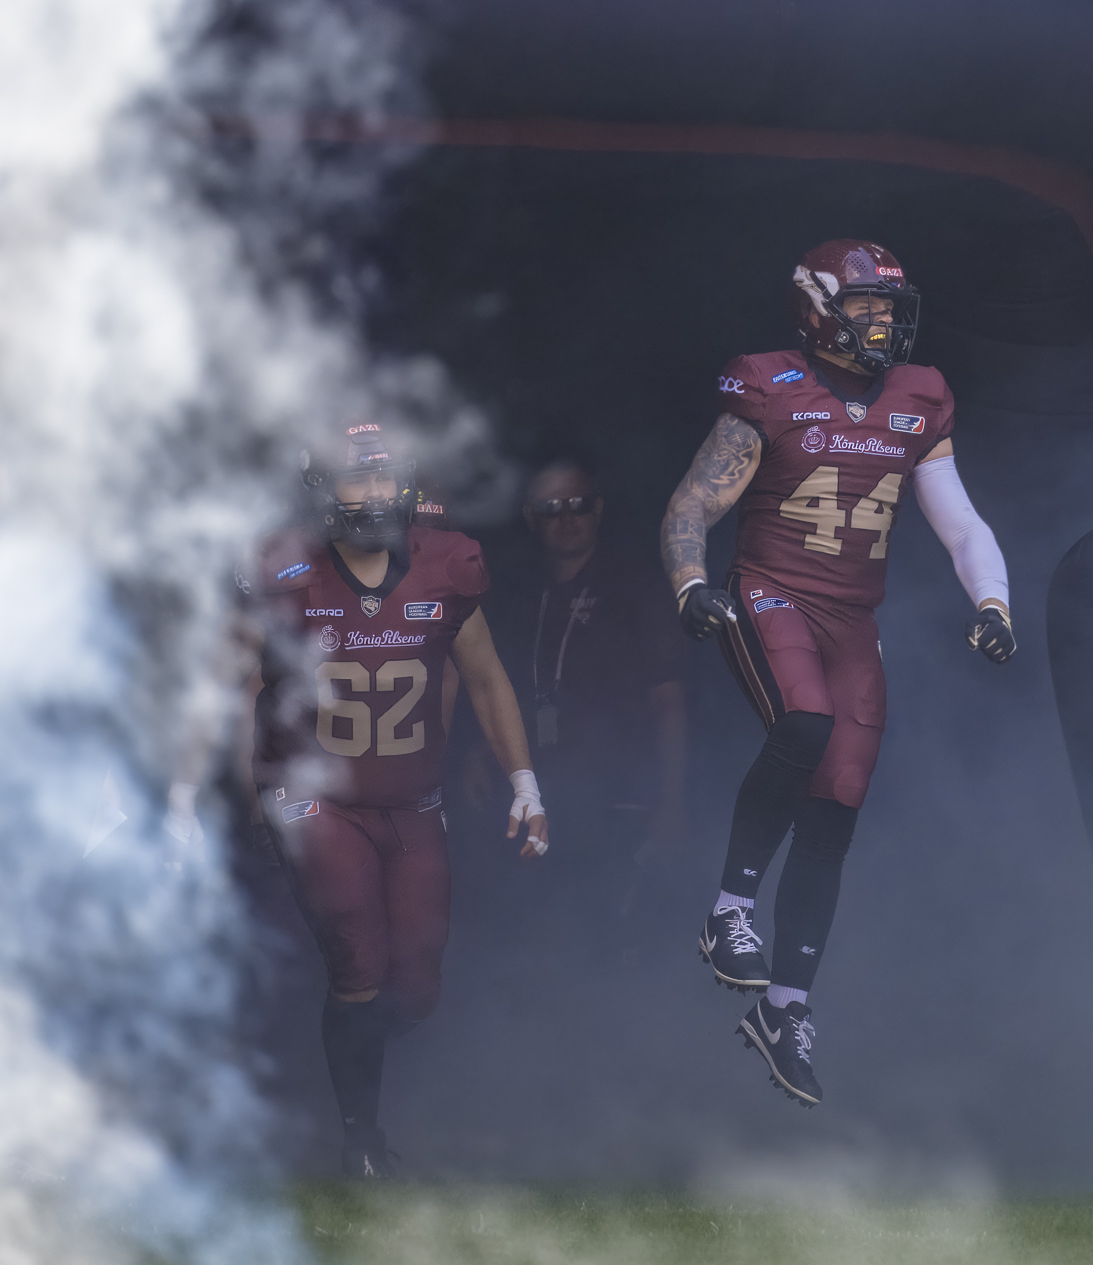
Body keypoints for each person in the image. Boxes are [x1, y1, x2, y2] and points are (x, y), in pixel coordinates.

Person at [660, 238, 1015, 1107]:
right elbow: (693, 502)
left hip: (854, 619)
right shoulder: (768, 384)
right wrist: (691, 583)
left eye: (890, 309)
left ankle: (786, 1008)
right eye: (865, 308)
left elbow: (960, 522)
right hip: (774, 590)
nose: (882, 324)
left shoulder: (918, 396)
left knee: (838, 804)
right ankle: (728, 911)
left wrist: (995, 602)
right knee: (805, 722)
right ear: (819, 309)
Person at [231, 421, 548, 1177]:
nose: (374, 492)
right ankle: (359, 1136)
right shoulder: (288, 570)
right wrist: (246, 785)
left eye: (385, 476)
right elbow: (241, 685)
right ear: (322, 487)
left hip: (412, 802)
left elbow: (484, 675)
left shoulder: (447, 563)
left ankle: (333, 1055)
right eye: (356, 477)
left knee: (416, 986)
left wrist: (525, 782)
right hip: (318, 797)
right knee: (359, 959)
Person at [486, 460, 686, 919]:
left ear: (598, 509)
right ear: (530, 516)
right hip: (543, 788)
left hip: (620, 789)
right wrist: (483, 752)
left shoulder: (636, 585)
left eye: (578, 504)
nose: (567, 517)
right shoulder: (518, 590)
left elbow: (668, 700)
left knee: (602, 923)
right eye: (552, 507)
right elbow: (498, 685)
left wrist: (673, 803)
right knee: (535, 919)